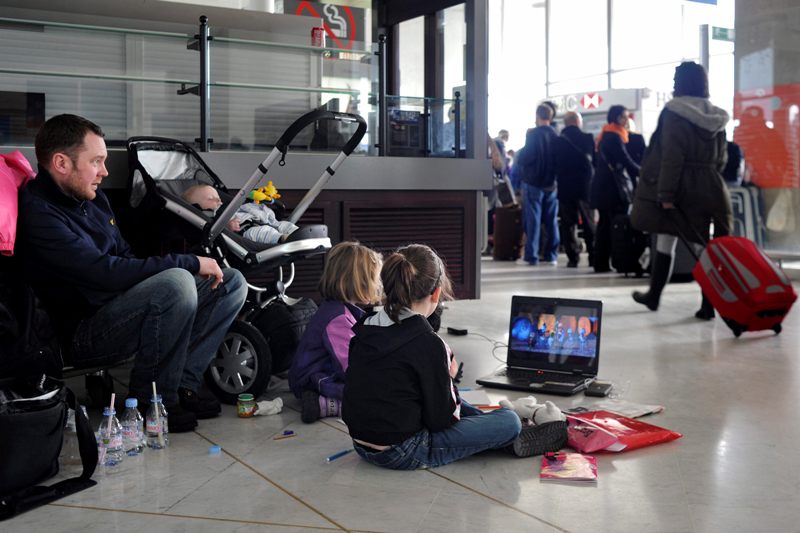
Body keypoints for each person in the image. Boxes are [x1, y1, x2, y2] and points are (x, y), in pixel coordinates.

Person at [16, 114, 248, 431]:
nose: (105, 172)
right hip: (83, 332)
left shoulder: (93, 200)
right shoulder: (38, 213)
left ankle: (183, 384)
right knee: (177, 282)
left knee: (230, 281)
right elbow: (103, 273)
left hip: (119, 306)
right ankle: (152, 402)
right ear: (61, 163)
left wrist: (180, 270)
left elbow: (124, 257)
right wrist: (189, 263)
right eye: (96, 161)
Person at [342, 244, 522, 470]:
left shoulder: (364, 327)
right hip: (403, 450)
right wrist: (449, 377)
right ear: (436, 293)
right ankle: (502, 432)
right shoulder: (429, 344)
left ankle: (485, 425)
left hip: (360, 443)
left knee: (457, 401)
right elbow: (440, 421)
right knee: (510, 422)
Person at [630, 61, 732, 319]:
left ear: (680, 83)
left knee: (693, 244)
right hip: (710, 184)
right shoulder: (717, 116)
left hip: (681, 187)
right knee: (682, 240)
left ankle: (706, 304)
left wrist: (665, 194)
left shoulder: (675, 112)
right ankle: (657, 295)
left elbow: (671, 156)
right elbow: (722, 158)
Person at [288, 241, 382, 423]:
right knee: (370, 393)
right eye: (374, 279)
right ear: (358, 281)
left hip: (322, 370)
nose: (377, 285)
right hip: (312, 379)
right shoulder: (336, 318)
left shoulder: (340, 309)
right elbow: (351, 367)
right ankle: (321, 404)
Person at [590, 105, 641, 273]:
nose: (628, 120)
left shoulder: (606, 134)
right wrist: (643, 172)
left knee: (605, 225)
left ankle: (601, 262)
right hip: (612, 189)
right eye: (625, 117)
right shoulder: (614, 136)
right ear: (618, 118)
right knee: (611, 226)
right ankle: (608, 261)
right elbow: (625, 160)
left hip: (604, 188)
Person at [182, 184, 297, 244]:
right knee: (264, 233)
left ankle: (297, 233)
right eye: (210, 198)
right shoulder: (210, 216)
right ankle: (282, 238)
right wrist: (227, 226)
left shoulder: (226, 206)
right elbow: (214, 229)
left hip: (262, 221)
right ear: (198, 206)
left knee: (283, 225)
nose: (218, 200)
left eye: (218, 197)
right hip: (246, 231)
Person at [553, 111, 596, 268]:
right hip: (585, 187)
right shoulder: (588, 138)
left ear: (566, 123)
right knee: (589, 223)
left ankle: (573, 258)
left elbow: (554, 164)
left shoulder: (557, 141)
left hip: (565, 187)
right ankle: (593, 255)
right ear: (578, 122)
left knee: (568, 224)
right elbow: (595, 162)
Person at [518, 104, 560, 266]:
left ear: (537, 116)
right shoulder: (556, 135)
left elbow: (525, 157)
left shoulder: (533, 134)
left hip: (533, 182)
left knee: (533, 219)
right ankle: (552, 255)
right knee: (551, 220)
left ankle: (532, 256)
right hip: (551, 184)